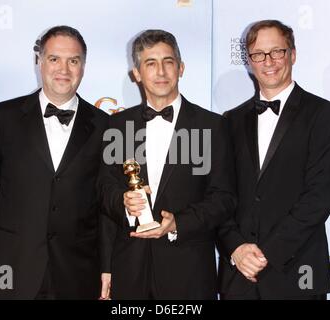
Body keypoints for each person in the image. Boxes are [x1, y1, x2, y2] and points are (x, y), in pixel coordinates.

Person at [0, 25, 109, 299]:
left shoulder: (105, 126)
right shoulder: (3, 118)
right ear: (39, 62)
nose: (63, 69)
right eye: (54, 59)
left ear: (84, 67)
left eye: (73, 61)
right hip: (13, 266)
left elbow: (106, 207)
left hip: (79, 271)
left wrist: (108, 268)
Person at [98, 29, 234, 299]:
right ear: (136, 73)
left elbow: (224, 198)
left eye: (168, 62)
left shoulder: (213, 127)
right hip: (129, 273)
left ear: (180, 68)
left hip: (190, 274)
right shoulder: (117, 127)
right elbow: (104, 189)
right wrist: (122, 202)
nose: (161, 71)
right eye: (150, 63)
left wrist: (178, 224)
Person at [217, 20, 330, 300]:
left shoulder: (323, 114)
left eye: (277, 51)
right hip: (240, 275)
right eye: (258, 54)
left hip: (298, 272)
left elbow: (319, 196)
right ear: (249, 62)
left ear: (293, 54)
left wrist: (266, 255)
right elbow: (220, 195)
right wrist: (236, 248)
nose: (268, 61)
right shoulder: (231, 121)